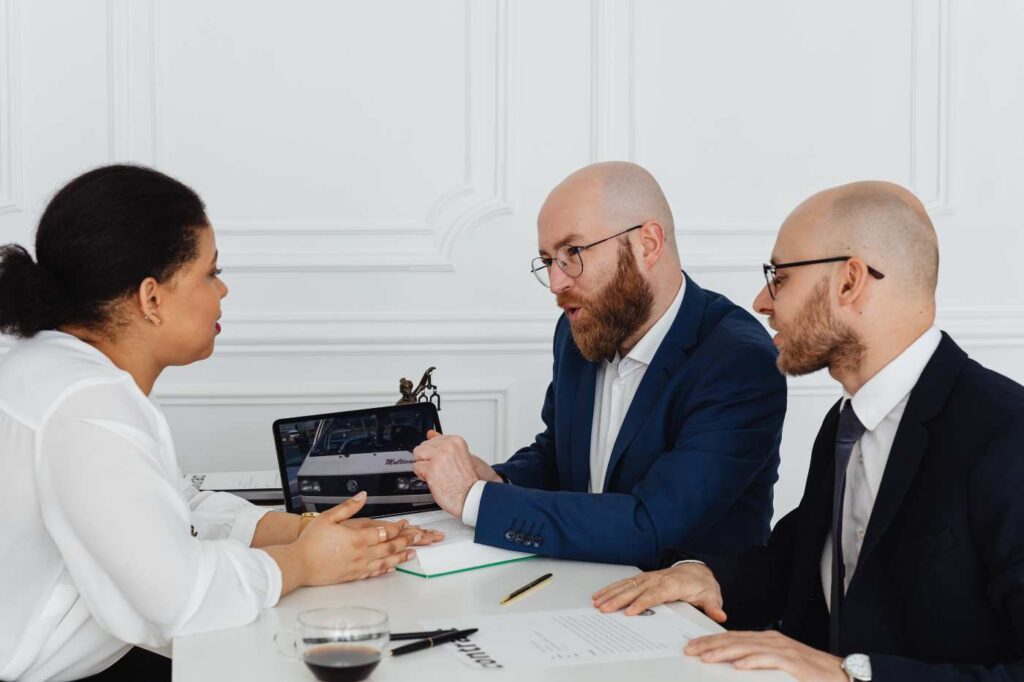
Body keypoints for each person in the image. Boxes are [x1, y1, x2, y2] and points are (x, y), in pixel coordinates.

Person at [0, 165, 441, 682]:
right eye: (211, 272)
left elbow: (163, 505)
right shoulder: (86, 404)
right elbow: (179, 600)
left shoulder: (49, 366)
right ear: (150, 298)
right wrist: (302, 563)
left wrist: (304, 530)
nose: (224, 290)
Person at [593, 181, 1024, 681]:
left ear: (849, 282)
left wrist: (850, 674)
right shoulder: (845, 423)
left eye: (779, 276)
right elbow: (806, 559)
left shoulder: (1006, 437)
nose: (761, 300)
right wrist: (708, 577)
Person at [412, 161, 786, 568]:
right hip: (581, 589)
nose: (557, 283)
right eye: (548, 261)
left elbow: (653, 526)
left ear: (648, 244)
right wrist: (498, 480)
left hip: (689, 617)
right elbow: (559, 455)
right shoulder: (579, 327)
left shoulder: (738, 362)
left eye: (572, 253)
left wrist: (475, 499)